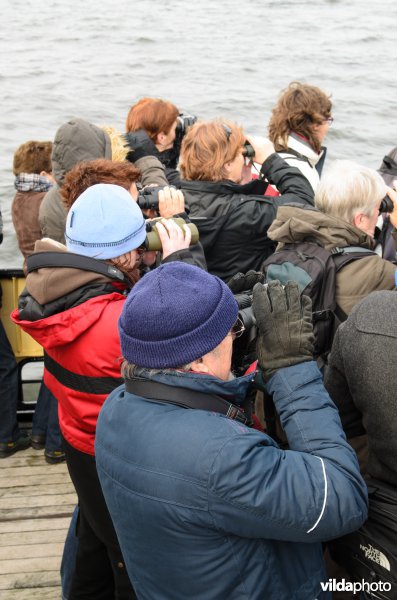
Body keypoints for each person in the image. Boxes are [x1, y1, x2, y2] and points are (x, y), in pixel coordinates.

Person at [94, 262, 368, 600]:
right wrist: (292, 368)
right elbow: (341, 497)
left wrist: (228, 361)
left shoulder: (116, 408)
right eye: (232, 331)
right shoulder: (222, 457)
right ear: (197, 363)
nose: (237, 335)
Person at [12, 182, 197, 599]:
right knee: (131, 560)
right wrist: (181, 263)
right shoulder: (122, 321)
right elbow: (191, 338)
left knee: (95, 538)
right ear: (128, 253)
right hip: (123, 456)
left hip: (80, 442)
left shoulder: (57, 296)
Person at [178, 118, 314, 281]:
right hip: (241, 298)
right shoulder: (246, 213)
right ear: (227, 164)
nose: (245, 160)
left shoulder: (176, 200)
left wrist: (242, 179)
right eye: (241, 155)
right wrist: (271, 160)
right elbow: (304, 201)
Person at [267, 159, 397, 316]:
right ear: (360, 219)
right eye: (379, 208)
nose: (379, 214)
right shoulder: (376, 271)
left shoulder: (292, 238)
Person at [268, 81, 332, 190]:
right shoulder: (304, 173)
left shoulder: (265, 157)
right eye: (328, 120)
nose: (328, 127)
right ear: (316, 123)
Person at [11, 140, 54, 266]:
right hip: (52, 272)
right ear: (44, 175)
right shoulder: (46, 200)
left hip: (31, 270)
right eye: (55, 171)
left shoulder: (18, 198)